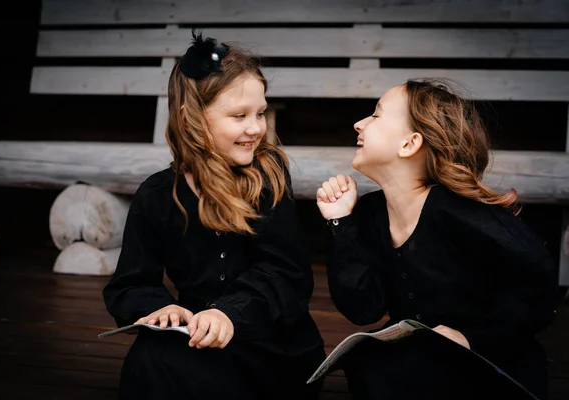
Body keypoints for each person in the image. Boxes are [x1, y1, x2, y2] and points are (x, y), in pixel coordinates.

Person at [103, 31, 326, 400]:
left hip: (269, 340)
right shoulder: (158, 195)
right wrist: (160, 308)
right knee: (148, 362)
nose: (255, 128)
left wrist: (228, 313)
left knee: (214, 379)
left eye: (260, 113)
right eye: (239, 116)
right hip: (198, 333)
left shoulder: (266, 180)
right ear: (192, 119)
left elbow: (286, 274)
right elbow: (130, 283)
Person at [316, 78, 558, 399]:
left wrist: (470, 337)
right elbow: (363, 308)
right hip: (421, 356)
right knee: (371, 362)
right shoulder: (372, 212)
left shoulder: (461, 212)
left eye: (376, 115)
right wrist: (340, 221)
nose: (359, 124)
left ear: (409, 144)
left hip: (489, 362)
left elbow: (536, 287)